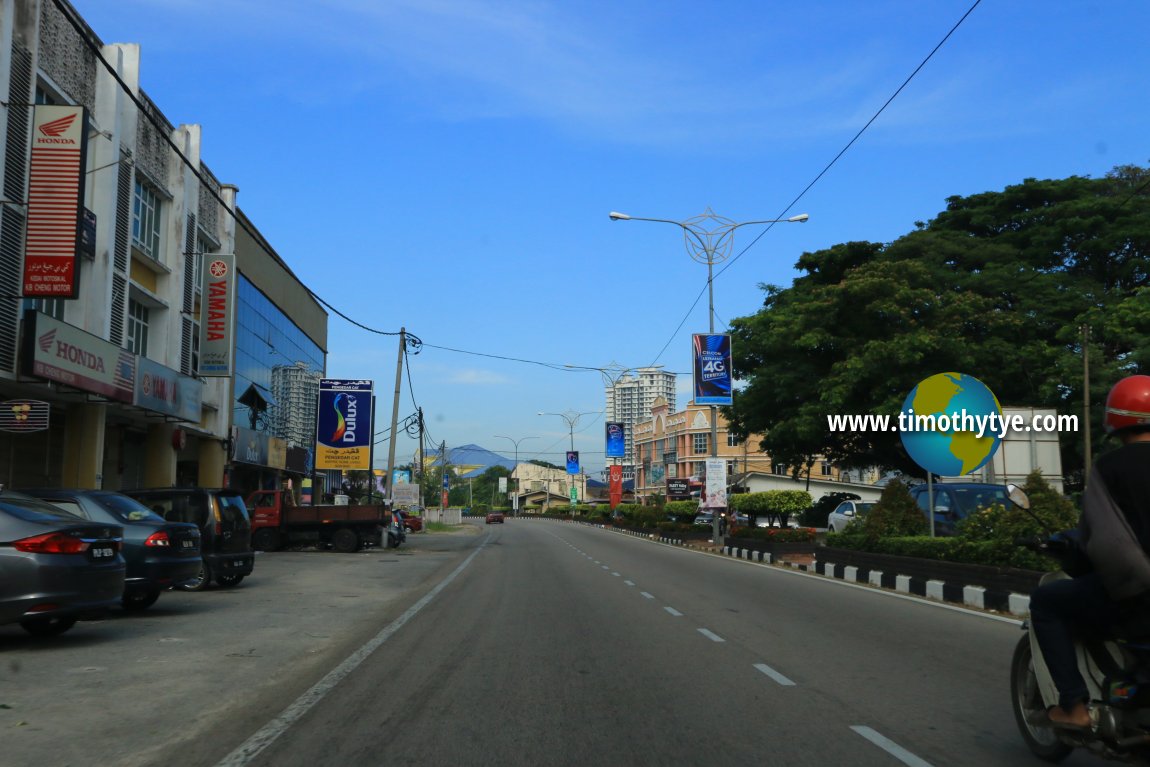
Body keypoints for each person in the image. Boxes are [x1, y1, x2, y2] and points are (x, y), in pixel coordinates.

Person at [1029, 374, 1150, 730]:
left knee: (1048, 602)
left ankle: (1074, 707)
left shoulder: (1108, 468)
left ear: (1115, 420)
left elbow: (1103, 542)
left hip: (1138, 597)